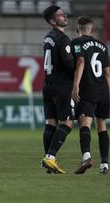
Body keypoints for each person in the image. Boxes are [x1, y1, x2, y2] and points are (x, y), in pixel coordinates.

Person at [71, 16, 110, 174]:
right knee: (102, 126)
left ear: (78, 29)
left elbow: (80, 62)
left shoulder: (77, 42)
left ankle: (87, 157)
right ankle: (105, 165)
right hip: (102, 89)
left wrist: (75, 85)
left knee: (85, 124)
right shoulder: (102, 46)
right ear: (92, 29)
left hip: (87, 88)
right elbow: (108, 74)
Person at [40, 5, 75, 174]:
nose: (64, 16)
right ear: (53, 21)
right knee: (67, 123)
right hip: (62, 87)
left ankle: (49, 163)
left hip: (48, 85)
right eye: (60, 15)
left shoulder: (48, 38)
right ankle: (51, 157)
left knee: (51, 123)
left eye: (63, 13)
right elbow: (69, 65)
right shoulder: (63, 39)